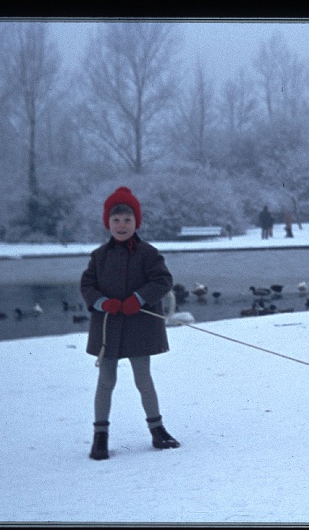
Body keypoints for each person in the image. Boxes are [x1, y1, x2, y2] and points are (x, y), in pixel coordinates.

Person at [81, 186, 180, 460]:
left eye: (127, 220)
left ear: (136, 222)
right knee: (106, 380)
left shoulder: (148, 253)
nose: (122, 226)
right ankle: (100, 437)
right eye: (116, 221)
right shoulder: (99, 257)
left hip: (139, 327)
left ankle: (157, 430)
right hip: (108, 328)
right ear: (108, 224)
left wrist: (139, 298)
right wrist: (103, 302)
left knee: (143, 379)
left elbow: (163, 280)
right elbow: (87, 285)